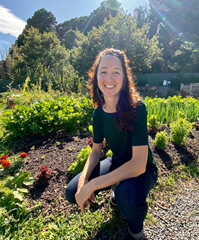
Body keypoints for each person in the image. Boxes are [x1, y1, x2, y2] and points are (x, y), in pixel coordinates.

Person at [66, 48, 158, 240]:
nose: (109, 78)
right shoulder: (98, 114)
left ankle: (136, 230)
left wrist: (93, 185)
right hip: (116, 161)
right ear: (96, 77)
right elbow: (96, 151)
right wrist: (84, 182)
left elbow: (138, 165)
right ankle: (118, 187)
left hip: (144, 169)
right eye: (103, 71)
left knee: (127, 195)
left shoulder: (138, 109)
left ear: (124, 78)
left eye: (116, 72)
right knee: (72, 191)